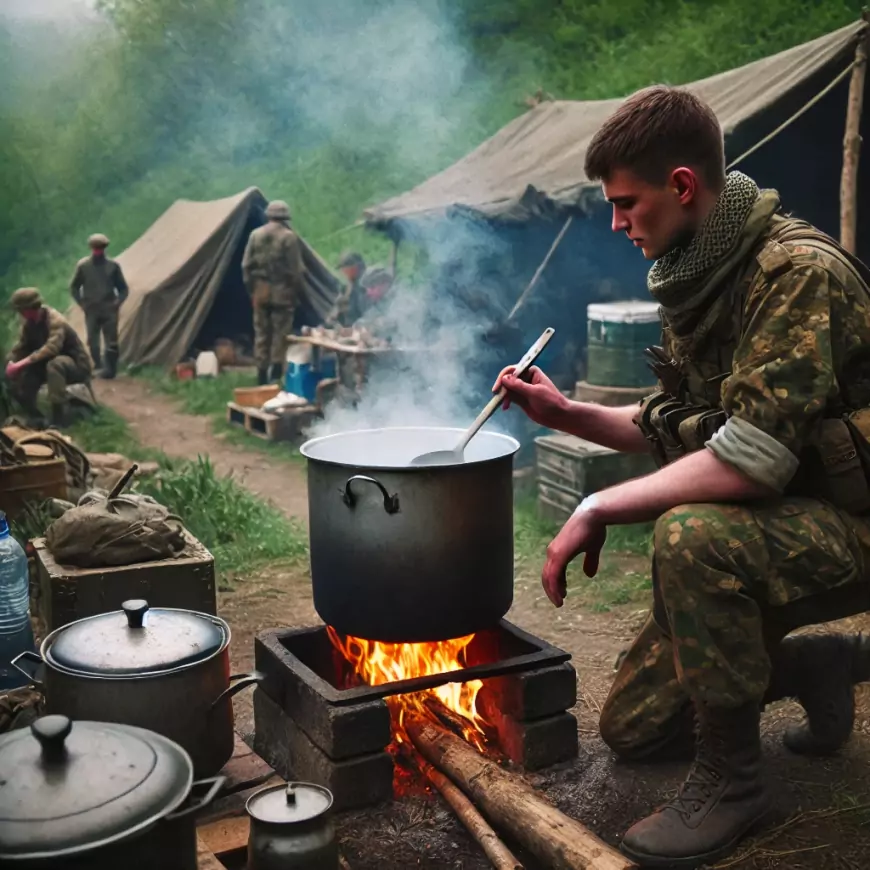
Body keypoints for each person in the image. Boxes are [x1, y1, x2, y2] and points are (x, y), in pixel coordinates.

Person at [495, 85, 870, 869]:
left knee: (691, 536)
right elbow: (680, 427)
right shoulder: (699, 268)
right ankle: (815, 665)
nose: (617, 223)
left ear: (683, 187)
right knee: (634, 728)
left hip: (851, 519)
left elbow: (752, 458)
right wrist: (565, 416)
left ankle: (735, 784)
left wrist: (600, 502)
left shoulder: (794, 274)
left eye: (626, 204)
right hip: (788, 519)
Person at [5, 288, 93, 428]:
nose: (20, 313)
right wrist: (9, 363)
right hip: (47, 366)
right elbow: (21, 347)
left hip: (75, 364)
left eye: (21, 309)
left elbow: (52, 348)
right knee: (29, 374)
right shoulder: (29, 324)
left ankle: (59, 418)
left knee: (54, 364)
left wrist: (21, 364)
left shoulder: (55, 320)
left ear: (30, 308)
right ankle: (36, 416)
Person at [242, 199, 306, 385]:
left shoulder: (255, 235)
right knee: (280, 336)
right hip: (283, 294)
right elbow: (297, 270)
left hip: (260, 293)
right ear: (285, 217)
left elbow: (246, 266)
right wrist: (297, 293)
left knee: (261, 334)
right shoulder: (289, 237)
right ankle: (276, 376)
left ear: (268, 215)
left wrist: (252, 291)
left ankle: (261, 377)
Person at [69, 233, 128, 380]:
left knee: (111, 342)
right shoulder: (83, 266)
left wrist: (118, 302)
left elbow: (123, 288)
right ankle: (99, 366)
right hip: (92, 309)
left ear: (105, 249)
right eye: (95, 248)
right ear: (91, 248)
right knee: (93, 341)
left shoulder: (113, 266)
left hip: (109, 308)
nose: (98, 251)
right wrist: (81, 303)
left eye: (100, 248)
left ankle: (111, 369)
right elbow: (74, 287)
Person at [330, 250, 368, 326]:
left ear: (356, 267)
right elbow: (334, 315)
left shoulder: (367, 285)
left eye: (345, 268)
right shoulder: (345, 289)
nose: (343, 272)